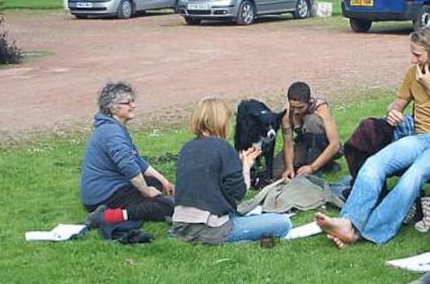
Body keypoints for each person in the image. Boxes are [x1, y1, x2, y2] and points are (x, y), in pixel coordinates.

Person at [316, 28, 430, 247]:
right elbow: (398, 102)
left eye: (417, 54)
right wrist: (392, 111)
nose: (413, 59)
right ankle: (348, 223)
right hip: (418, 137)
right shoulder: (413, 72)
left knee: (411, 178)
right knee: (373, 164)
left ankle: (366, 232)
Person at [172, 98, 292, 244]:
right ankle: (235, 240)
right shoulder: (223, 148)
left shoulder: (186, 148)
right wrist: (246, 167)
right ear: (222, 122)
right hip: (210, 228)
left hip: (180, 226)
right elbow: (238, 193)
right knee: (282, 223)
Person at [81, 81, 174, 226]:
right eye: (128, 102)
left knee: (155, 184)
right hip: (104, 196)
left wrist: (163, 180)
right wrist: (146, 191)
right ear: (112, 108)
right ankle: (106, 217)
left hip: (110, 187)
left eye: (133, 101)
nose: (133, 106)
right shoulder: (112, 132)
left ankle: (140, 204)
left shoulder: (112, 127)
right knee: (165, 206)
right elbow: (128, 165)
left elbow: (137, 160)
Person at [274, 81, 341, 180]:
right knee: (276, 171)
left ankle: (323, 164)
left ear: (308, 101)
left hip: (324, 145)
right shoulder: (286, 113)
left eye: (300, 107)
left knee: (312, 121)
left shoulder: (321, 108)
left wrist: (312, 168)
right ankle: (316, 163)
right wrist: (289, 168)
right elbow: (288, 144)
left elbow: (335, 145)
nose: (296, 111)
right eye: (293, 107)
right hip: (304, 143)